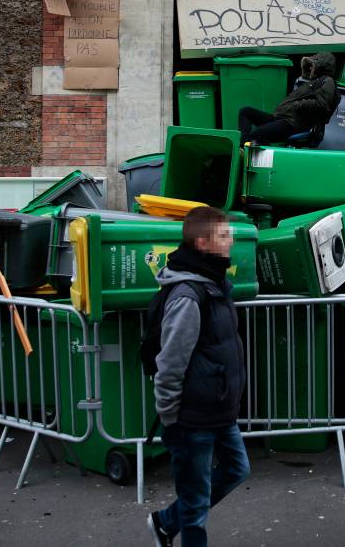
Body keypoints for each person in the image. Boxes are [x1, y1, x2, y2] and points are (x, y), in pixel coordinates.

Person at [147, 206, 250, 547]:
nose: (231, 239)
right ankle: (173, 526)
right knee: (195, 505)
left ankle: (164, 523)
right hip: (192, 418)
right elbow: (171, 363)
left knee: (237, 470)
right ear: (203, 243)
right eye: (223, 235)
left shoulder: (216, 284)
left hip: (219, 410)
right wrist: (171, 417)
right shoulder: (189, 296)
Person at [238, 51, 338, 146]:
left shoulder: (327, 81)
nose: (311, 68)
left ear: (322, 66)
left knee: (257, 135)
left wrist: (297, 105)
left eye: (313, 65)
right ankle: (242, 146)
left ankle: (264, 160)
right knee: (245, 112)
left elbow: (322, 104)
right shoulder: (311, 81)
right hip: (281, 118)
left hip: (293, 123)